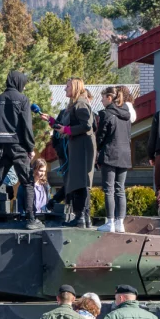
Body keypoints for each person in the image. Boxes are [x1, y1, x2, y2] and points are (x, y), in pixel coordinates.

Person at [0, 71, 43, 231]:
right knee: (28, 182)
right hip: (18, 147)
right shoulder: (23, 100)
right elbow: (27, 127)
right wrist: (30, 148)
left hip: (0, 147)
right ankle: (30, 219)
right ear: (19, 83)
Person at [60, 78, 96, 228]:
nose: (65, 89)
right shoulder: (76, 104)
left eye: (67, 86)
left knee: (81, 182)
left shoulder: (81, 103)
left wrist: (67, 130)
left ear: (75, 87)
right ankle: (83, 218)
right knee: (78, 181)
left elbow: (87, 125)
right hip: (78, 146)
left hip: (82, 147)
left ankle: (81, 217)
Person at [95, 86, 132, 233]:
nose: (102, 100)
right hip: (125, 154)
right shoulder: (126, 114)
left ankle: (110, 222)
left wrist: (98, 149)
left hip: (110, 154)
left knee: (109, 189)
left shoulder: (107, 114)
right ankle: (120, 223)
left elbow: (101, 136)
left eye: (103, 97)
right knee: (120, 189)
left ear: (109, 98)